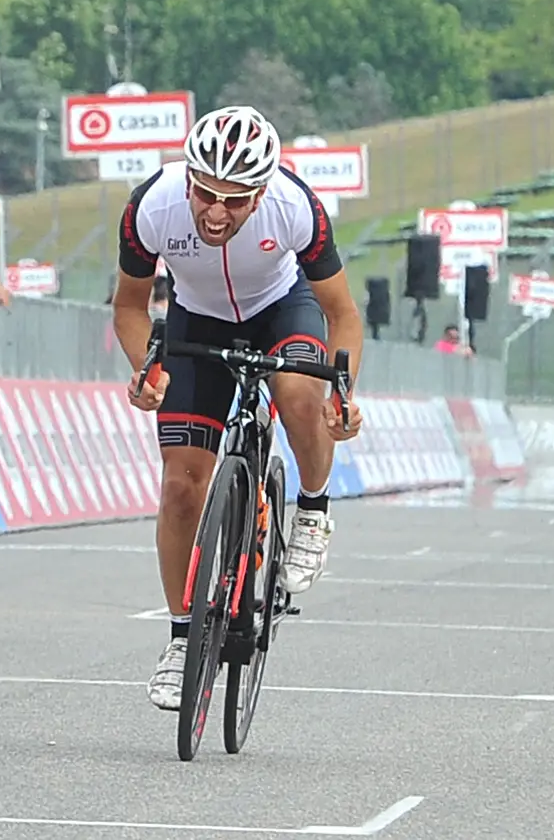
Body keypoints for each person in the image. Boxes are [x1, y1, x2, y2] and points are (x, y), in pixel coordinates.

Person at [110, 104, 364, 713]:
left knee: (300, 392)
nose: (217, 212)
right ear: (189, 179)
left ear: (263, 193)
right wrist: (147, 369)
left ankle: (311, 511)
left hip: (282, 308)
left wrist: (344, 395)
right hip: (196, 318)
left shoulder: (296, 207)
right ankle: (180, 637)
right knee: (179, 489)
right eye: (206, 194)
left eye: (237, 199)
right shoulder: (153, 205)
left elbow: (343, 315)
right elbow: (128, 308)